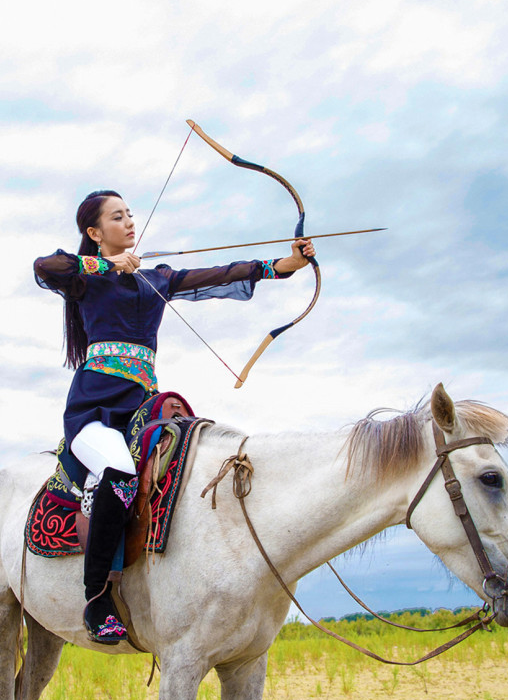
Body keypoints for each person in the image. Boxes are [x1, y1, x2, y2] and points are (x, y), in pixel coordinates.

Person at [34, 190, 316, 645]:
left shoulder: (156, 279)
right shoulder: (87, 279)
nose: (129, 223)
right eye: (117, 217)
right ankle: (97, 598)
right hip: (95, 411)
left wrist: (285, 265)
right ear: (93, 232)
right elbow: (46, 267)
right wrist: (107, 265)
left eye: (130, 215)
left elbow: (221, 273)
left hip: (143, 408)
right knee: (118, 471)